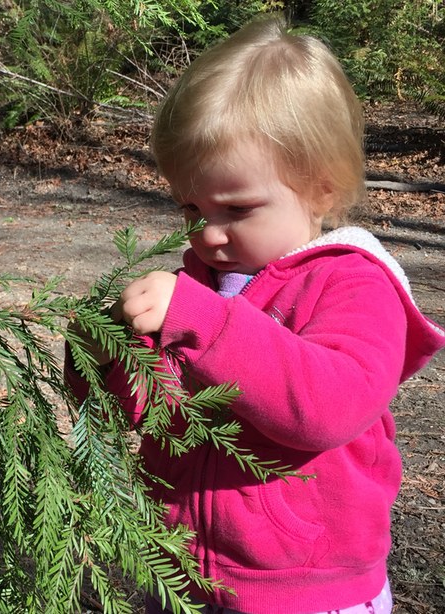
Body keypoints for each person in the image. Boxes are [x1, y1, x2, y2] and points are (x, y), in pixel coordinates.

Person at [63, 14, 445, 614]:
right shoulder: (198, 285)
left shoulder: (353, 285)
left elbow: (324, 408)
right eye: (190, 206)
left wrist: (207, 323)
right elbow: (140, 412)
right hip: (184, 571)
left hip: (307, 587)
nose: (208, 233)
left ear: (321, 188)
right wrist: (104, 354)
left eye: (237, 208)